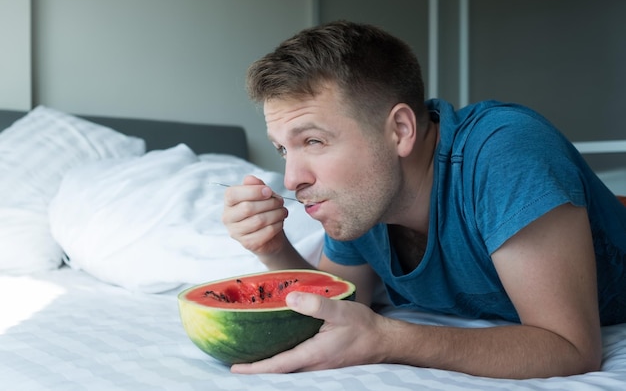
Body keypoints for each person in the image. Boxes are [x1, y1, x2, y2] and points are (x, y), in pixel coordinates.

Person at [221, 20, 626, 379]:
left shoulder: (505, 153)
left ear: (399, 129)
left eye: (314, 140)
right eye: (283, 150)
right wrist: (274, 250)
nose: (293, 179)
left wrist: (389, 339)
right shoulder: (361, 200)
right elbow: (344, 304)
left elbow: (571, 348)